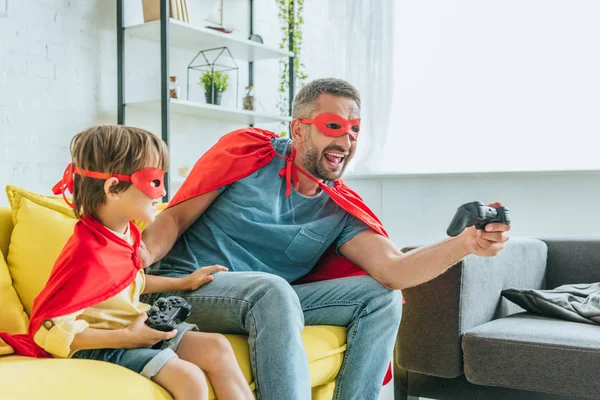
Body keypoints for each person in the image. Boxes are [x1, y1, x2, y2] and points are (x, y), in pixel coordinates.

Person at [140, 78, 511, 400]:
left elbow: (394, 271)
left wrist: (465, 244)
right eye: (332, 125)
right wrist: (137, 258)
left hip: (267, 300)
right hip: (185, 288)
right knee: (272, 290)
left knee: (380, 297)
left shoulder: (340, 208)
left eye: (354, 130)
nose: (345, 139)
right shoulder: (249, 154)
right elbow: (173, 217)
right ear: (298, 129)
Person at [0, 125, 253, 400]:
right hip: (101, 343)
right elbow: (50, 329)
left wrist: (184, 282)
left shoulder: (127, 232)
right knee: (189, 378)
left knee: (217, 346)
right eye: (154, 181)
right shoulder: (87, 252)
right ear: (113, 188)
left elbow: (127, 280)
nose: (163, 191)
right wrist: (128, 337)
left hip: (129, 327)